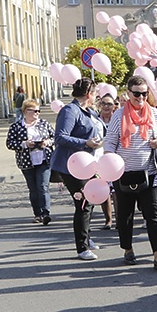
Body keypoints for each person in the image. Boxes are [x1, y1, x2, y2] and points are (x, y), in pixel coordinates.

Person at [103, 75, 157, 271]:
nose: (141, 97)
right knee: (125, 216)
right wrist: (109, 159)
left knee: (153, 216)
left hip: (150, 172)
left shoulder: (153, 113)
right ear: (128, 93)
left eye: (144, 93)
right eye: (137, 94)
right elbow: (110, 141)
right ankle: (127, 249)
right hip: (123, 173)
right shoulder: (119, 115)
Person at [51, 77, 104, 260]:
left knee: (89, 200)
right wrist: (85, 143)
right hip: (71, 166)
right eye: (95, 93)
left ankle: (87, 238)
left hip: (87, 164)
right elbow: (60, 137)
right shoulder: (70, 110)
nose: (97, 97)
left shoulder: (88, 111)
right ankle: (81, 247)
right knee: (83, 203)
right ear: (88, 94)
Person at [6, 98, 55, 224]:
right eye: (33, 111)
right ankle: (37, 214)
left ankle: (45, 213)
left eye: (38, 111)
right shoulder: (17, 127)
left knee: (43, 186)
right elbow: (10, 144)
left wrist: (47, 142)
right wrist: (24, 144)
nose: (36, 113)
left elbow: (55, 137)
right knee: (33, 188)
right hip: (27, 161)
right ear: (25, 111)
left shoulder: (44, 124)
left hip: (44, 159)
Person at [97, 91, 118, 230]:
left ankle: (119, 218)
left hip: (115, 158)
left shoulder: (117, 119)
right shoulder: (95, 120)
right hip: (98, 156)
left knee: (116, 190)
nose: (106, 106)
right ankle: (108, 220)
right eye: (103, 103)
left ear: (114, 106)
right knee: (103, 189)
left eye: (109, 104)